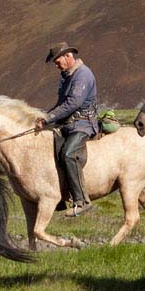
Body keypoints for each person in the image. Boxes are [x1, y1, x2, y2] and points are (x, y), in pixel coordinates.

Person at [36, 42, 98, 217]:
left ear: (68, 56)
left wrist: (50, 117)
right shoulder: (67, 76)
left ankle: (82, 200)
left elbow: (74, 103)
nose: (56, 66)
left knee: (69, 154)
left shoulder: (83, 75)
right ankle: (62, 196)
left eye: (57, 62)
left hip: (83, 124)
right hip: (67, 123)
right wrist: (46, 117)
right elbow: (61, 103)